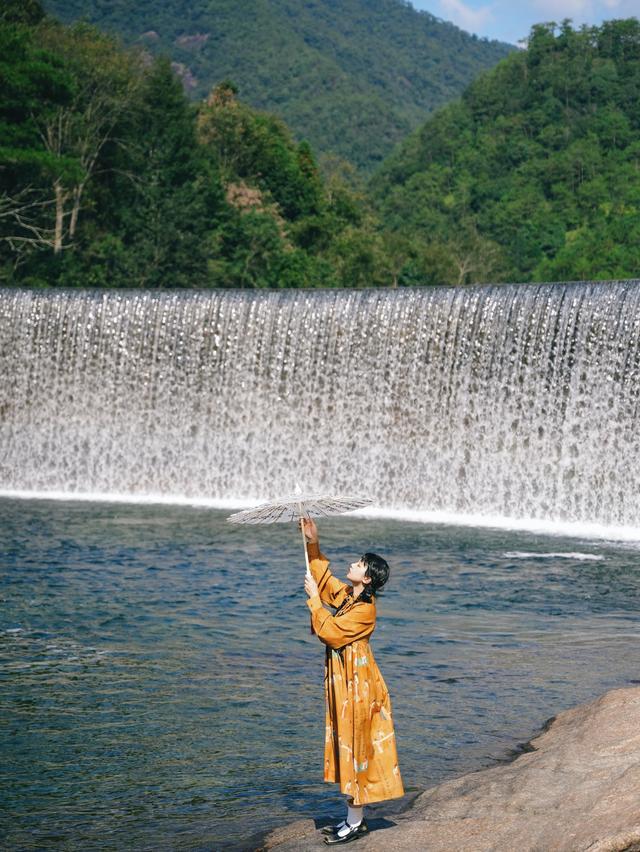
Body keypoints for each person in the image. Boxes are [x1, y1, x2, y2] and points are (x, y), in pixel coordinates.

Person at [301, 517, 404, 846]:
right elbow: (325, 579)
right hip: (348, 682)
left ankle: (356, 822)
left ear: (368, 577)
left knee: (357, 747)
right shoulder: (351, 596)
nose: (352, 564)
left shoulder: (366, 610)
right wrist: (312, 542)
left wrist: (315, 602)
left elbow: (330, 633)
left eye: (358, 564)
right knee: (350, 746)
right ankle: (353, 819)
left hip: (359, 687)